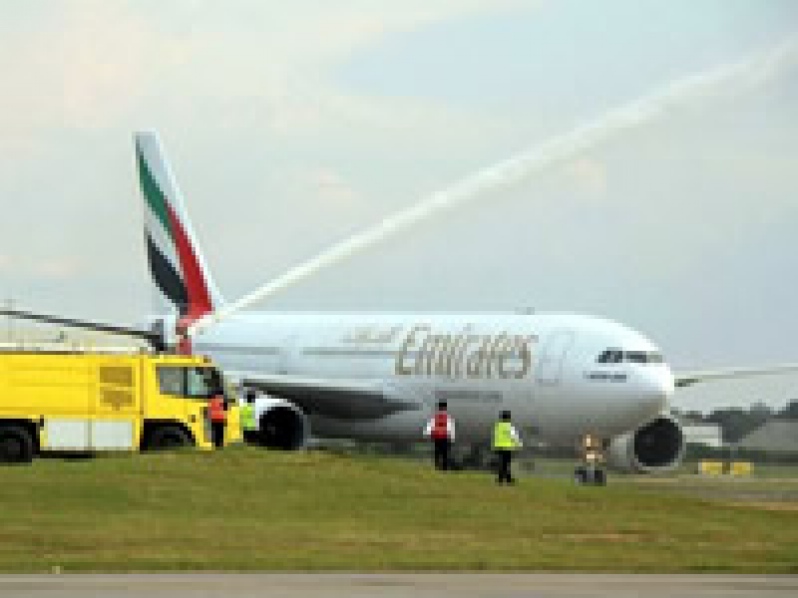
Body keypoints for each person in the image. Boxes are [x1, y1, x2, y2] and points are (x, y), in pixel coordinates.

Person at [492, 409, 522, 484]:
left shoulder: (498, 426)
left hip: (500, 448)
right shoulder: (510, 427)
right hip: (508, 448)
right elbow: (514, 437)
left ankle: (500, 479)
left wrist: (495, 447)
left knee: (501, 464)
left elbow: (496, 437)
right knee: (507, 464)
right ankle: (508, 479)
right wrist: (518, 445)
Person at [424, 401, 455, 471]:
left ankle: (437, 466)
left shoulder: (435, 417)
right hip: (445, 437)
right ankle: (444, 467)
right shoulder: (448, 417)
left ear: (439, 408)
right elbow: (451, 428)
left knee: (437, 453)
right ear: (445, 408)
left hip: (437, 437)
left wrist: (427, 435)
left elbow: (430, 426)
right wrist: (452, 439)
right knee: (445, 454)